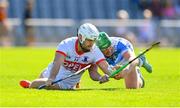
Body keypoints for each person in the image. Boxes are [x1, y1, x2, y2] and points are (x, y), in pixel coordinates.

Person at [19, 23, 116, 90]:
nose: (92, 43)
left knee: (37, 83)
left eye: (94, 40)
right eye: (89, 40)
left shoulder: (95, 51)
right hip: (52, 72)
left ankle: (30, 85)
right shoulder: (66, 44)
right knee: (43, 78)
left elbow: (103, 69)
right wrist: (51, 78)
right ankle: (35, 83)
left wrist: (102, 77)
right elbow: (57, 62)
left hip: (65, 83)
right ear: (81, 37)